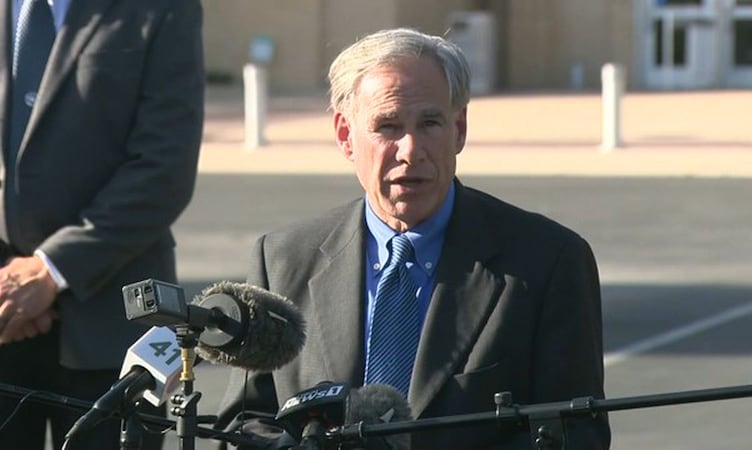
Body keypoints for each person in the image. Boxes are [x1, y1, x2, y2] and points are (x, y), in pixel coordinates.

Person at [215, 28, 609, 449]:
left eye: (430, 123)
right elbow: (245, 426)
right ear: (346, 136)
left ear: (459, 129)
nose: (410, 149)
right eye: (387, 126)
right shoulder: (282, 260)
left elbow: (575, 433)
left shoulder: (547, 261)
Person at [0, 0, 204, 449]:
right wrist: (8, 283)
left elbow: (163, 169)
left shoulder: (163, 9)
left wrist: (51, 270)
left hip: (114, 327)